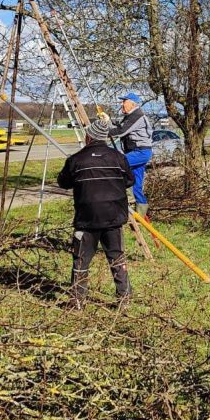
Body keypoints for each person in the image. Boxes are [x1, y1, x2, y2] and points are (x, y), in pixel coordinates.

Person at [57, 114, 134, 307]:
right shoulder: (118, 158)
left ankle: (77, 301)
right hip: (114, 218)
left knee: (81, 260)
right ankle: (124, 299)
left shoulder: (75, 160)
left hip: (86, 218)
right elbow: (129, 180)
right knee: (117, 258)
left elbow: (63, 182)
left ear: (89, 137)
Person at [107, 92, 153, 220]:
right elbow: (121, 125)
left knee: (117, 163)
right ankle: (141, 216)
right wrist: (108, 121)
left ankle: (116, 201)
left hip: (140, 152)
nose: (122, 104)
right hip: (137, 152)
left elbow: (121, 131)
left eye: (124, 102)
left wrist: (101, 131)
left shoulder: (136, 116)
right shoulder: (131, 116)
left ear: (132, 104)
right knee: (137, 185)